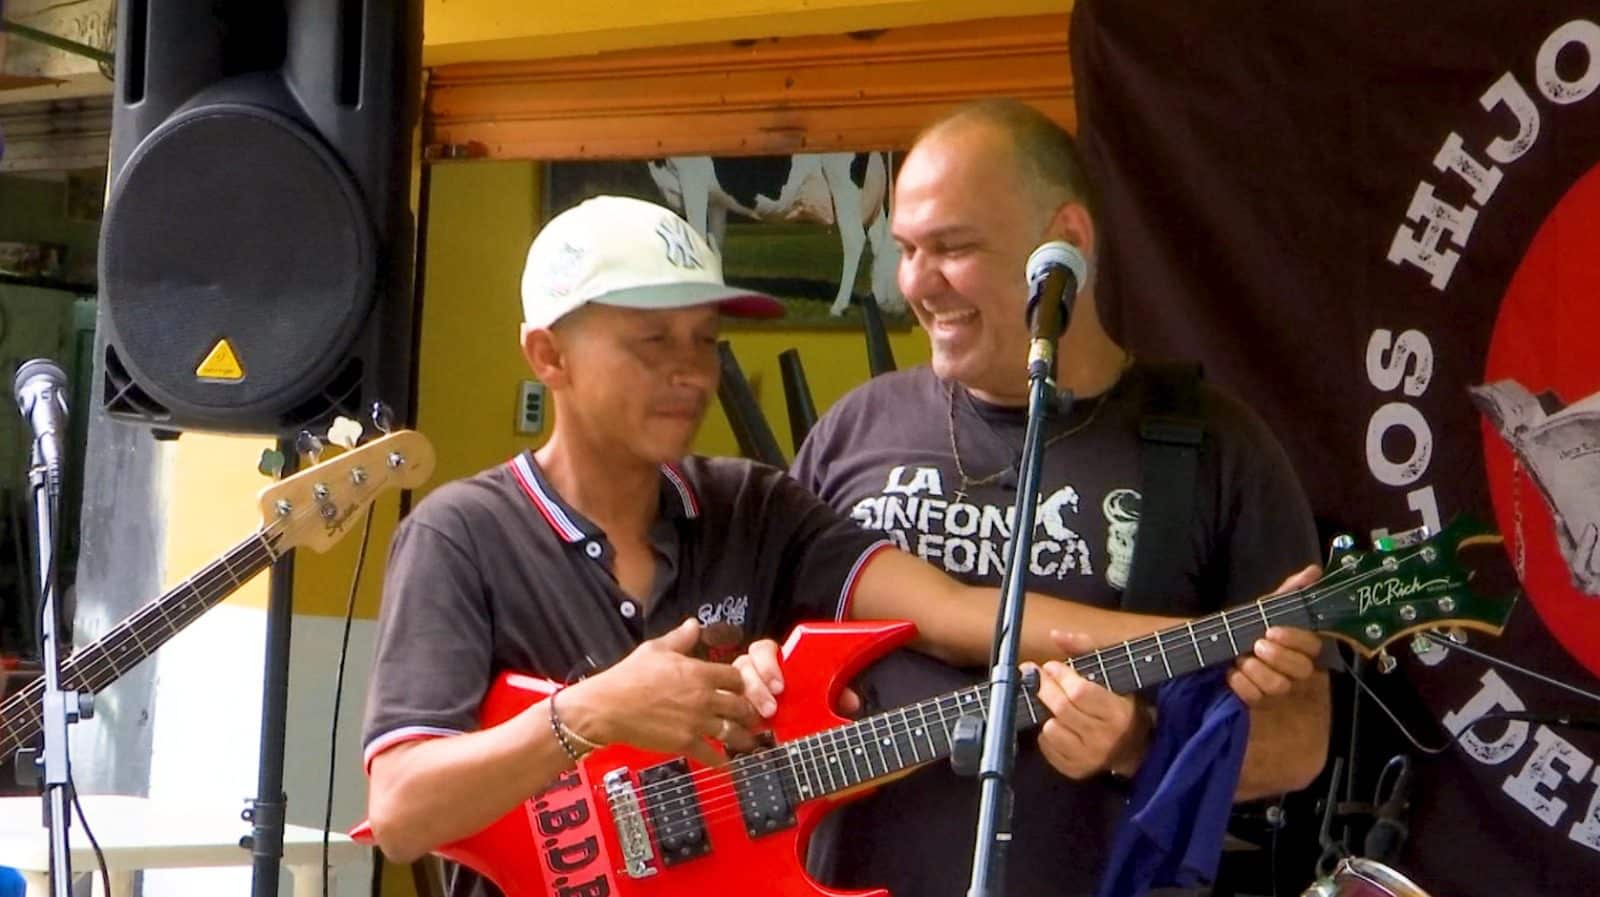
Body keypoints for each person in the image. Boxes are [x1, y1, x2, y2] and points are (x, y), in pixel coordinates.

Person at [360, 194, 1325, 897]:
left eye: (704, 341)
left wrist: (1233, 631)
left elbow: (973, 617)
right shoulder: (460, 534)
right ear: (548, 357)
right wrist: (594, 711)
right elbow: (402, 807)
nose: (690, 373)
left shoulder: (756, 506)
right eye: (651, 342)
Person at [784, 99, 1333, 896]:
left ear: (1068, 241)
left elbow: (1297, 740)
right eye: (905, 249)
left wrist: (1139, 743)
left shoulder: (1212, 447)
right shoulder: (854, 428)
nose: (917, 282)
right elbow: (760, 663)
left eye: (953, 247)